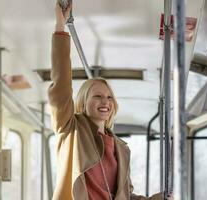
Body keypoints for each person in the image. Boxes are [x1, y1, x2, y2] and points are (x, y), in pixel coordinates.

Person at [48, 2, 172, 200]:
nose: (105, 101)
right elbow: (60, 87)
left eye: (109, 97)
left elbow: (125, 196)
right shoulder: (71, 129)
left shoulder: (121, 148)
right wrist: (60, 28)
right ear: (83, 101)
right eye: (97, 96)